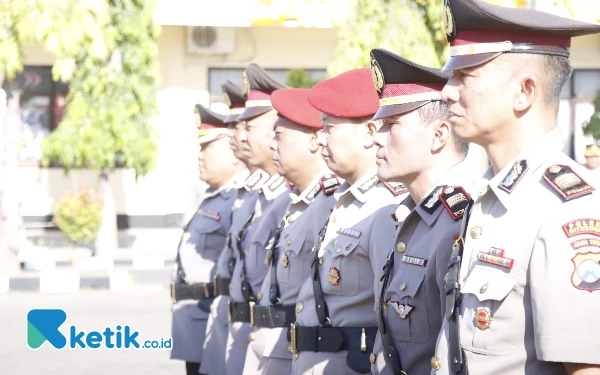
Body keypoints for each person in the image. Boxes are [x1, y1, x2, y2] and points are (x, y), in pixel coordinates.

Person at [433, 0, 600, 374]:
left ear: (524, 92)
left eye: (465, 76)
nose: (447, 92)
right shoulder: (488, 198)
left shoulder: (565, 209)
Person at [289, 68, 408, 375]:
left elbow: (394, 317)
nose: (320, 140)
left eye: (329, 128)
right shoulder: (340, 200)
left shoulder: (385, 205)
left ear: (370, 133)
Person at [367, 48, 472, 375]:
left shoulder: (464, 217)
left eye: (391, 125)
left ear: (439, 134)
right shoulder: (407, 215)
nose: (376, 140)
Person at [242, 88, 341, 375]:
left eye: (279, 135)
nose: (272, 145)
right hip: (273, 349)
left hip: (298, 353)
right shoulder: (296, 200)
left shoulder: (330, 203)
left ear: (313, 140)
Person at [225, 63, 292, 375]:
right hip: (247, 336)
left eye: (249, 126)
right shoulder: (257, 196)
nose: (239, 135)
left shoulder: (290, 200)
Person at [170, 103, 248, 375]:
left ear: (232, 149)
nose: (200, 156)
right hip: (195, 321)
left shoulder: (240, 199)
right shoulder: (213, 195)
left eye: (208, 147)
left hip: (215, 318)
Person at [200, 80, 251, 375]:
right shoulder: (243, 195)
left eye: (243, 127)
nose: (236, 138)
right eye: (232, 129)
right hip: (226, 323)